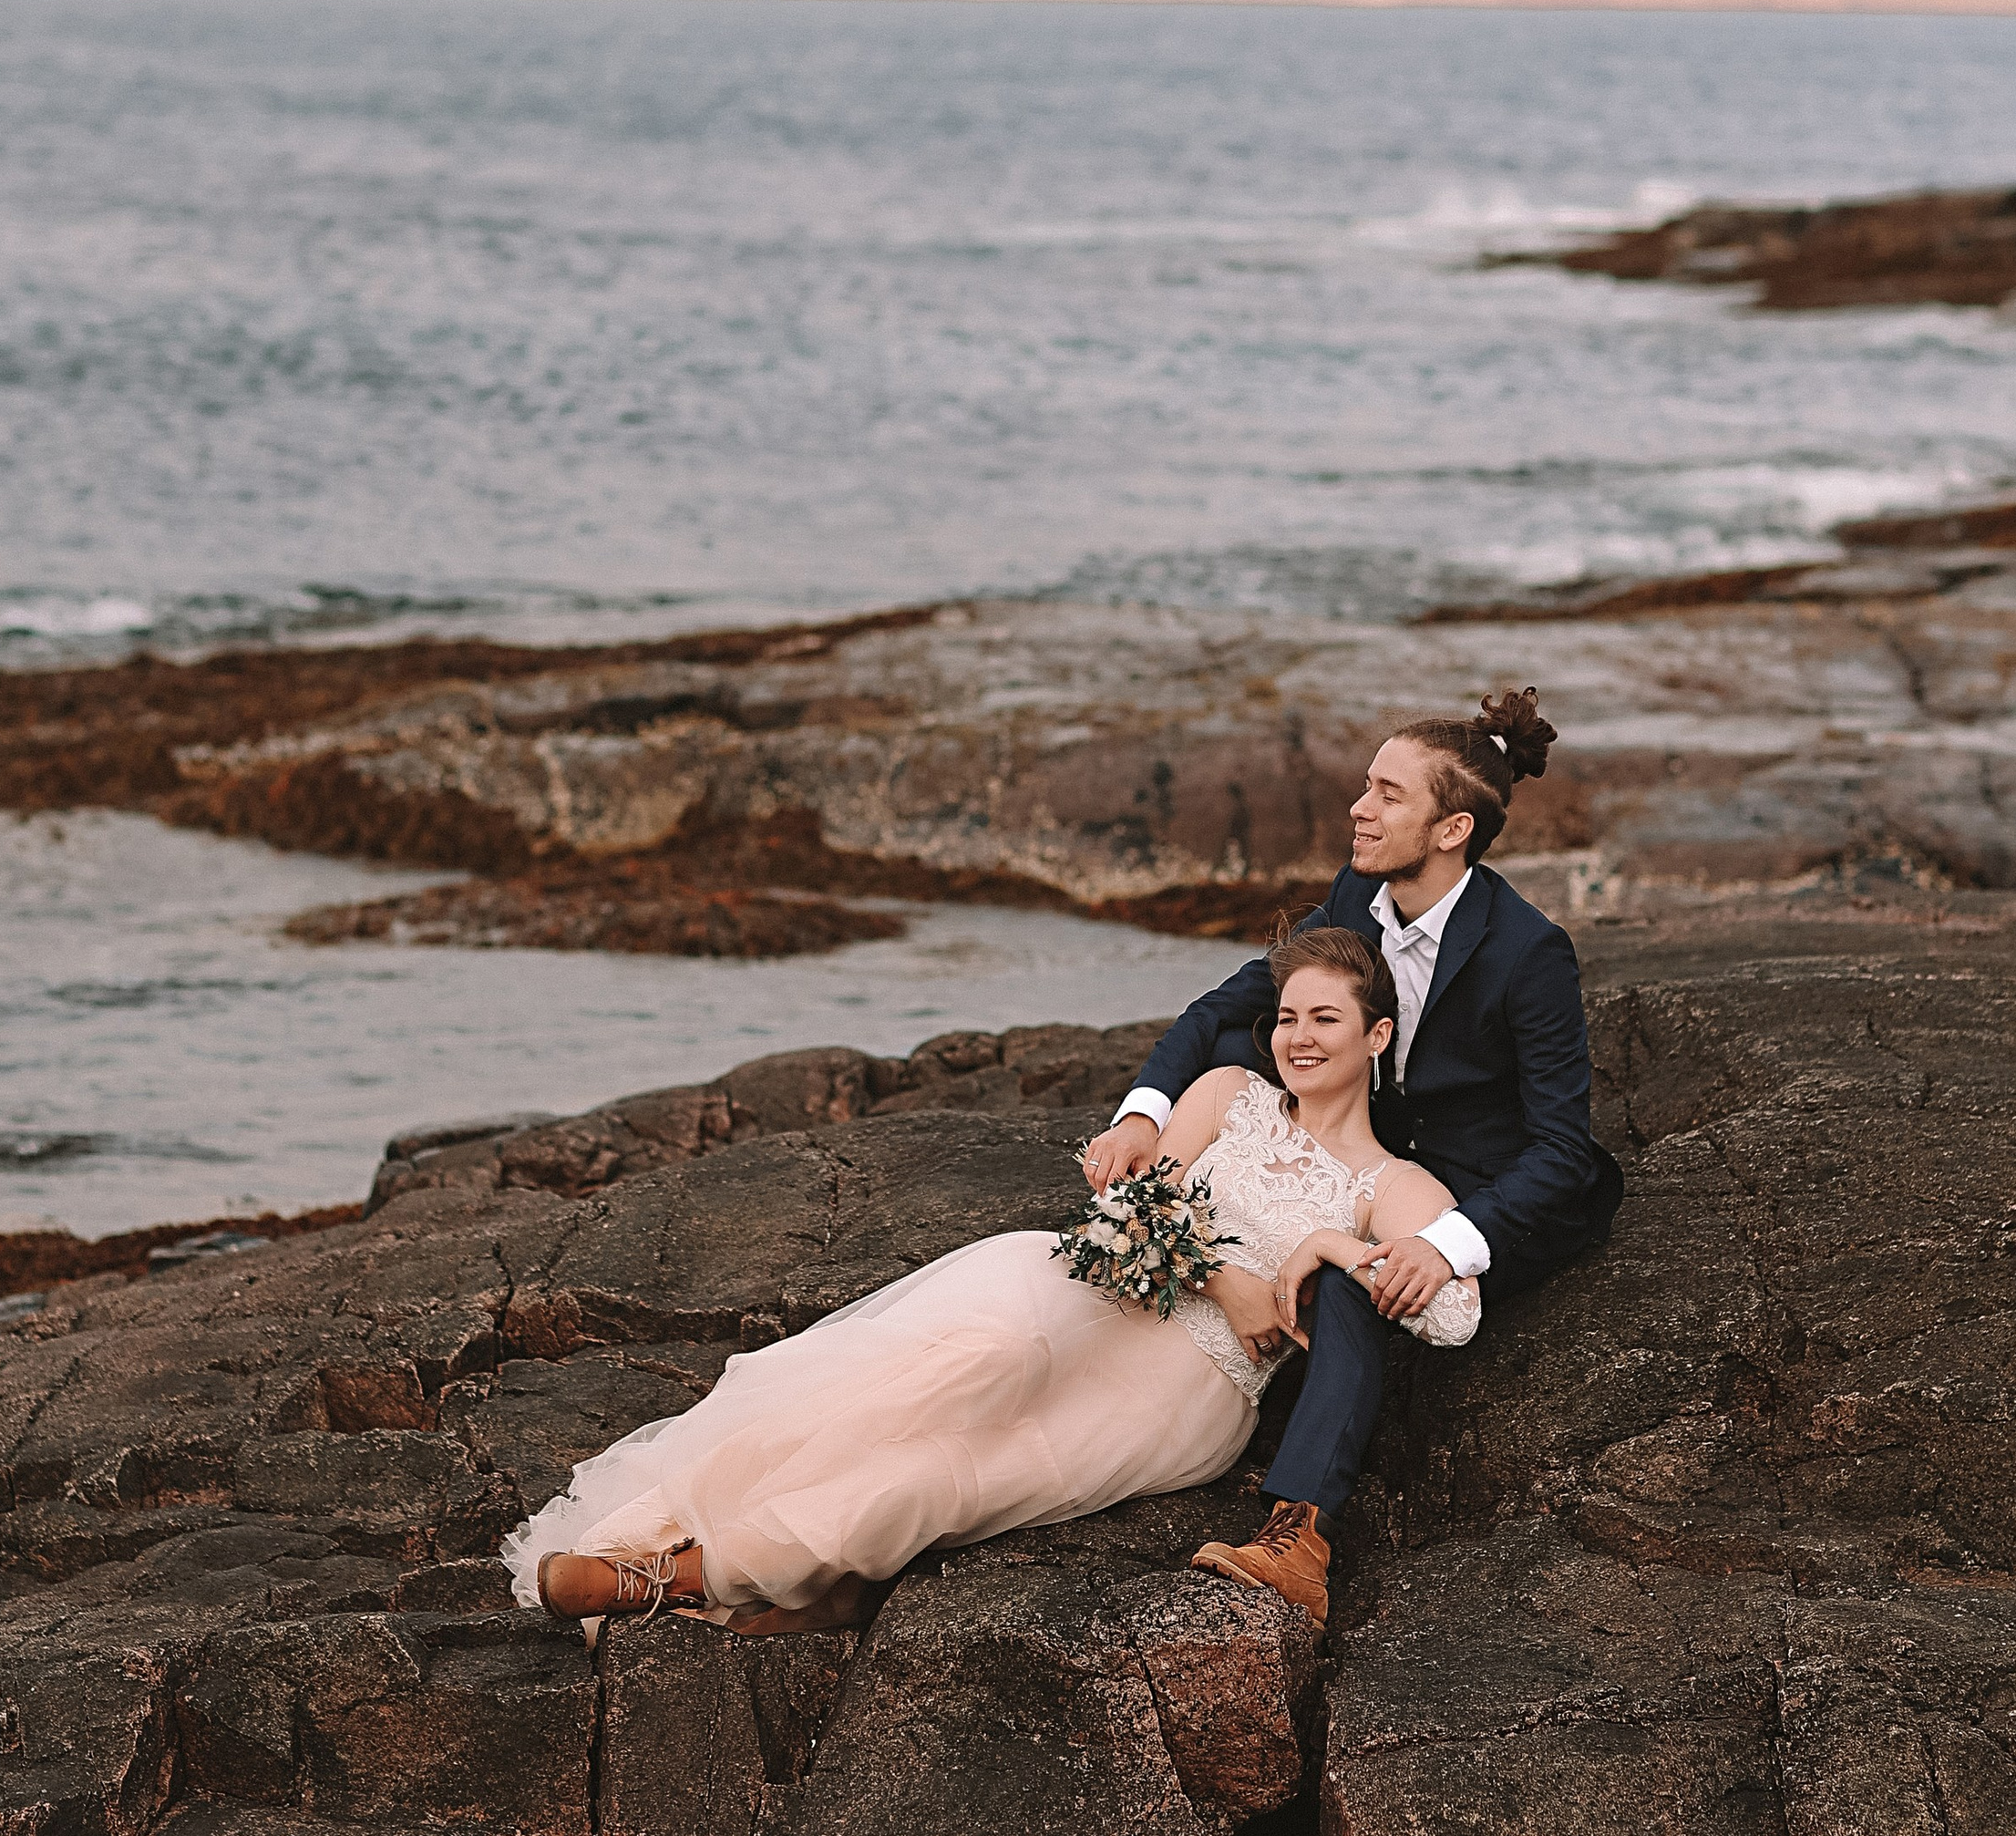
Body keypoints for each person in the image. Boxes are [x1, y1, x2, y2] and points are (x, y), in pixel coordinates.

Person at [501, 930, 1458, 1636]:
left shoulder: (1391, 1184)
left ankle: (676, 1576)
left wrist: (1333, 1246)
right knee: (949, 1369)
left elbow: (1453, 1316)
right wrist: (1230, 1282)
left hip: (1189, 1389)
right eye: (1286, 1016)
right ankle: (666, 1522)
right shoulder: (1226, 1095)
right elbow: (1137, 1210)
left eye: (1324, 1019)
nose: (1297, 1037)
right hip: (1095, 1290)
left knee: (942, 1483)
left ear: (1377, 1035)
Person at [1081, 686, 1622, 1627]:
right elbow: (1227, 1003)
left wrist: (1445, 1244)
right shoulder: (1353, 896)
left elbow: (1561, 1150)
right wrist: (1141, 1112)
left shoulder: (1528, 951)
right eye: (1366, 786)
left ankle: (1300, 1535)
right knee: (1238, 1041)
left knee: (1352, 1283)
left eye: (1386, 795)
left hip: (1482, 1185)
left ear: (1451, 829)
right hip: (1370, 1138)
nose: (1358, 809)